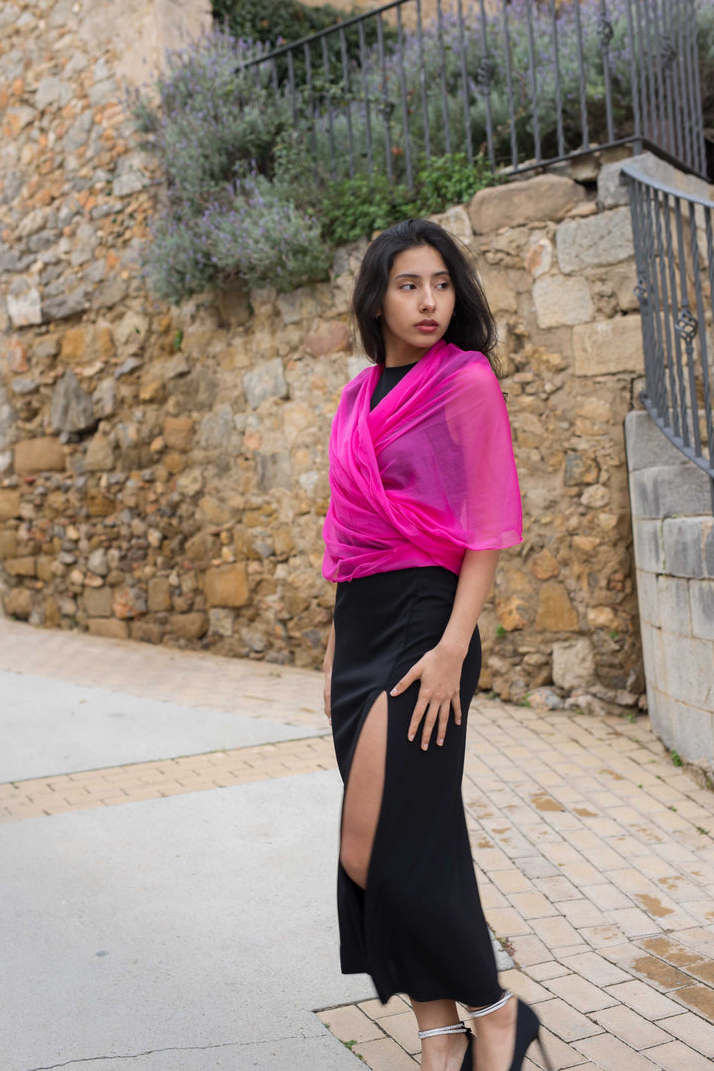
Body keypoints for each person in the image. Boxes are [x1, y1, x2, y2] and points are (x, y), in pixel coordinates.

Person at [321, 219, 551, 1071]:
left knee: (379, 846)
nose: (429, 302)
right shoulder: (355, 398)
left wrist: (455, 646)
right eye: (410, 285)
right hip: (360, 628)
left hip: (428, 622)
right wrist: (333, 658)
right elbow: (347, 540)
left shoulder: (464, 381)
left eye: (442, 284)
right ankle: (441, 1033)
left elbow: (485, 527)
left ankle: (496, 1013)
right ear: (377, 298)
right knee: (411, 841)